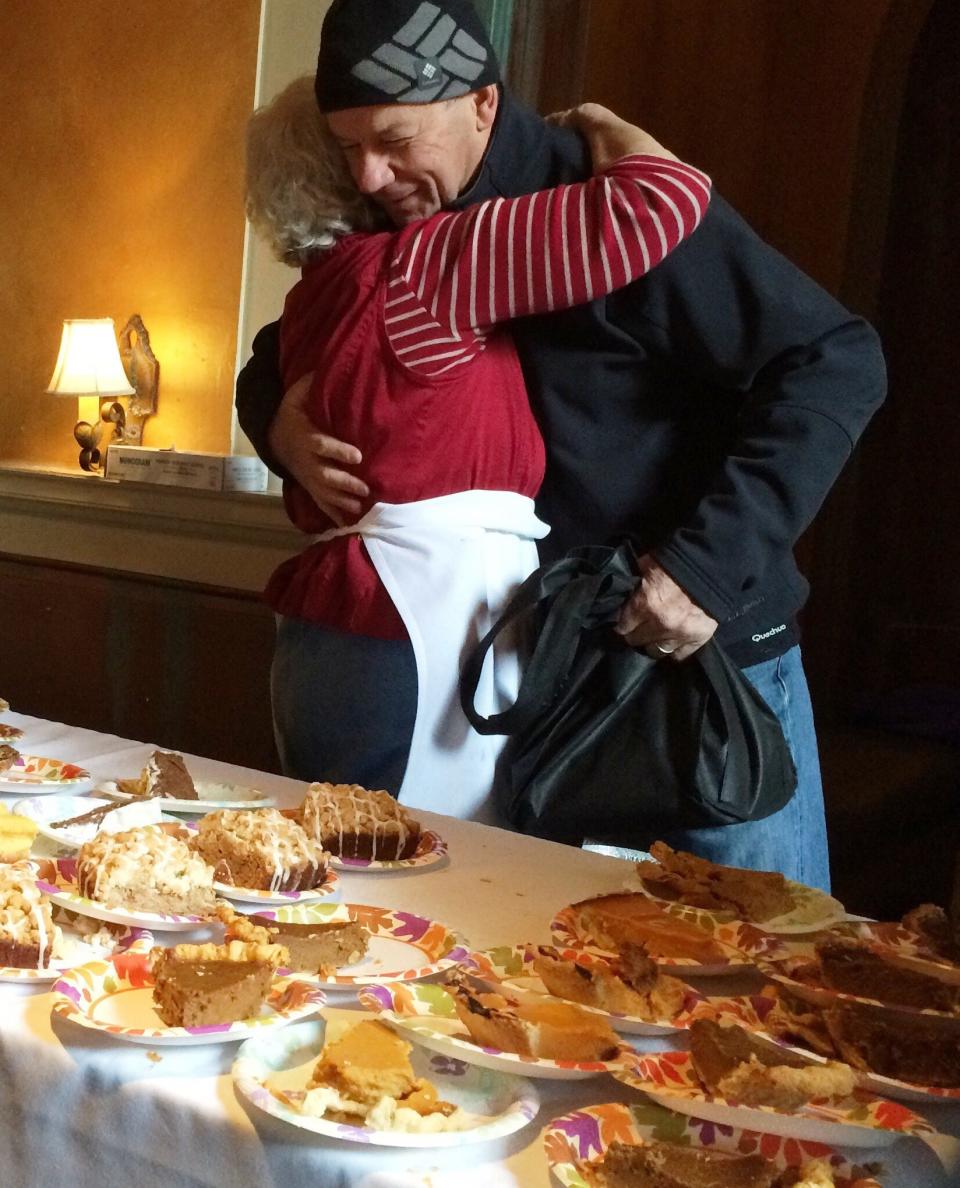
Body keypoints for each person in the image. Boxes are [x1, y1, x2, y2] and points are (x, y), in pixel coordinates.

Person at [236, 0, 887, 890]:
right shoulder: (400, 218)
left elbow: (837, 358)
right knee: (563, 1003)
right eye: (348, 149)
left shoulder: (610, 202)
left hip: (700, 659)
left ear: (482, 105)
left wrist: (701, 569)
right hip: (537, 678)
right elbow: (276, 351)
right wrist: (283, 434)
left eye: (393, 139)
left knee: (766, 972)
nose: (369, 178)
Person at [245, 76, 711, 822]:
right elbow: (662, 199)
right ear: (353, 170)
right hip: (416, 622)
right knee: (428, 885)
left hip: (340, 620)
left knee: (345, 881)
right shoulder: (423, 271)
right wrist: (602, 122)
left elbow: (263, 375)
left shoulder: (316, 298)